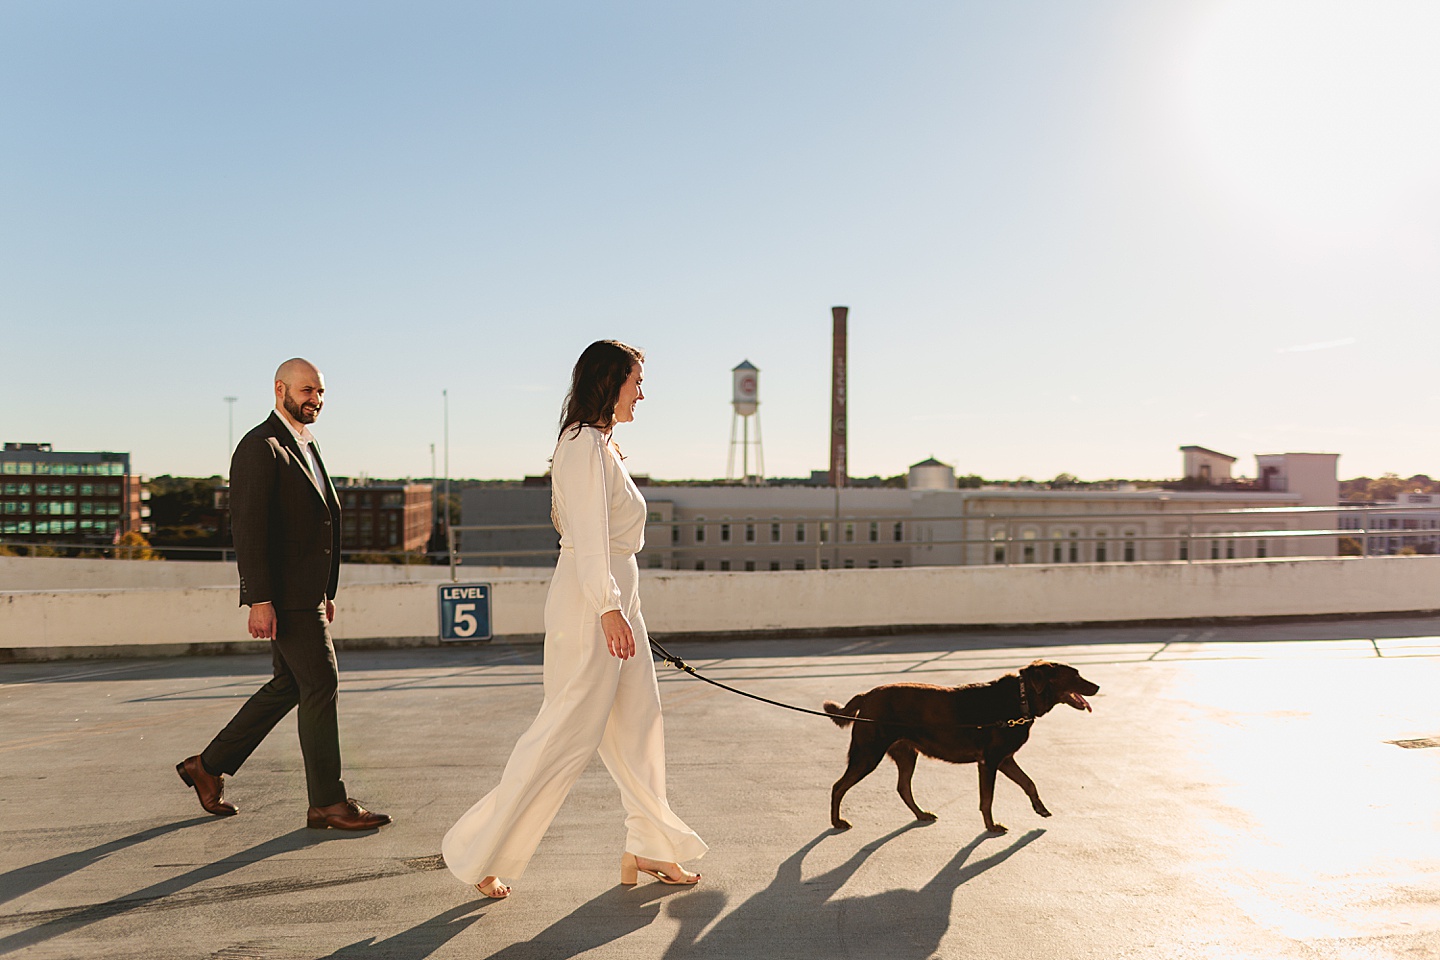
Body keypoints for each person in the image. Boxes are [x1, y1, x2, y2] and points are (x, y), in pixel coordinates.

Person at [442, 340, 705, 899]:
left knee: (639, 729)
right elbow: (587, 538)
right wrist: (609, 608)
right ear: (610, 383)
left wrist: (623, 605)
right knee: (564, 734)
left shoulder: (603, 446)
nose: (643, 391)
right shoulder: (582, 443)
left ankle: (651, 847)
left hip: (614, 596)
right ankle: (480, 854)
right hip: (593, 603)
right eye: (637, 380)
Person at [175, 358, 391, 832]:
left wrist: (326, 588)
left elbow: (319, 522)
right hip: (285, 596)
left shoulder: (305, 444)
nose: (315, 399)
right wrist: (259, 598)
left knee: (291, 685)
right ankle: (327, 803)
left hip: (306, 592)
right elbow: (249, 529)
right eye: (308, 389)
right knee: (321, 683)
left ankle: (206, 767)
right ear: (280, 389)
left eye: (321, 392)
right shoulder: (260, 446)